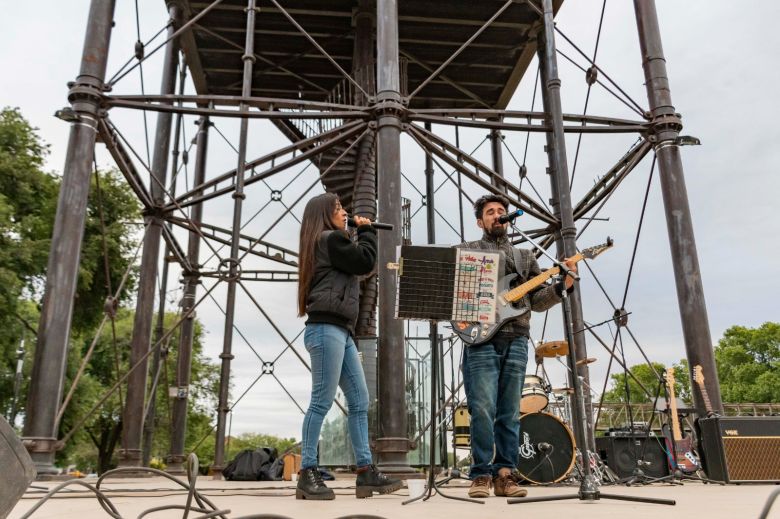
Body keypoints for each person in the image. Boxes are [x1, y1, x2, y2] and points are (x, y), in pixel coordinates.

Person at [458, 193, 577, 498]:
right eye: (490, 212)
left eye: (501, 211)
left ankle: (505, 474)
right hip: (481, 338)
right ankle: (480, 474)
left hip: (517, 337)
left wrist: (561, 287)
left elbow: (536, 302)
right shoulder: (468, 251)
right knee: (482, 409)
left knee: (509, 411)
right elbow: (456, 291)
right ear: (480, 221)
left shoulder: (526, 257)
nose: (497, 215)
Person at [296, 192, 402, 500]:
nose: (345, 212)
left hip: (341, 331)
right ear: (324, 214)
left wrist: (357, 233)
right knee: (321, 400)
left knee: (360, 400)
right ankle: (307, 471)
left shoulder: (332, 244)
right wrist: (366, 230)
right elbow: (365, 260)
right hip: (325, 329)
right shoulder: (328, 239)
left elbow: (360, 267)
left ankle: (366, 471)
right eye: (339, 208)